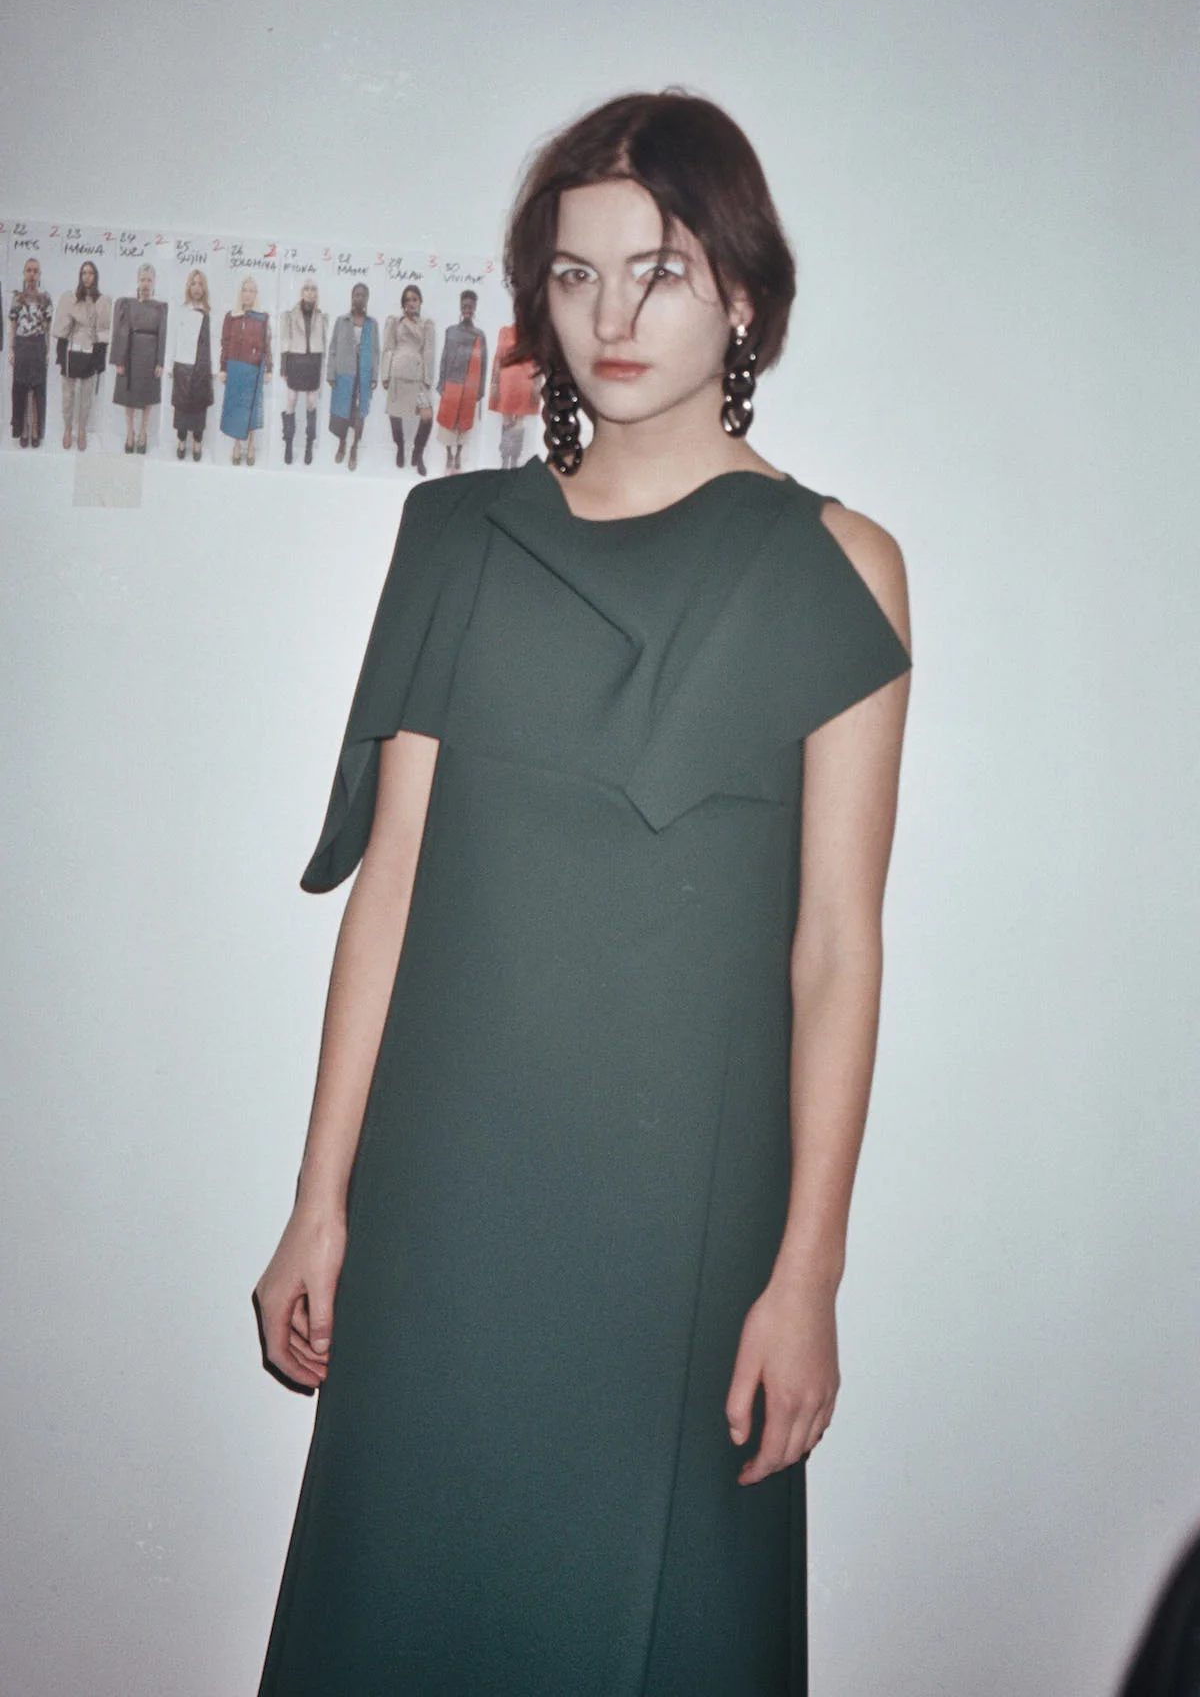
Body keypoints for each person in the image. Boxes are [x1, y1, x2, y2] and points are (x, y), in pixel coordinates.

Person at [253, 90, 912, 1696]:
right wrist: (320, 1201)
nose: (610, 317)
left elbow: (837, 950)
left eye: (659, 271)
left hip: (681, 1238)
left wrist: (810, 1275)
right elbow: (391, 894)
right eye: (573, 275)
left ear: (742, 293)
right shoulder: (458, 540)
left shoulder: (838, 567)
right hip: (443, 1212)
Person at [53, 259, 112, 452]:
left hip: (90, 351)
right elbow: (62, 330)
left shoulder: (102, 302)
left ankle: (82, 430)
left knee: (86, 397)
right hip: (71, 351)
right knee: (68, 396)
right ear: (80, 276)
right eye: (84, 273)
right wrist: (61, 355)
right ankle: (67, 429)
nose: (87, 277)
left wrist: (99, 360)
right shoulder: (70, 299)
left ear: (96, 277)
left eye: (90, 273)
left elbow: (103, 331)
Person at [111, 263, 167, 454]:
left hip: (150, 354)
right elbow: (119, 332)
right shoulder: (127, 304)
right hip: (130, 352)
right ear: (137, 280)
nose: (145, 284)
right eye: (142, 279)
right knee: (128, 396)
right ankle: (130, 433)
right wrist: (119, 360)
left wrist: (160, 362)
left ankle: (143, 432)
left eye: (149, 280)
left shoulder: (160, 308)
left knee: (147, 395)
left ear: (154, 282)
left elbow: (163, 335)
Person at [380, 283, 435, 474]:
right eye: (407, 300)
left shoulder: (426, 325)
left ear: (420, 301)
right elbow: (388, 348)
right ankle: (400, 446)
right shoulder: (395, 322)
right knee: (395, 414)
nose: (411, 303)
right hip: (397, 372)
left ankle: (418, 452)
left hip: (416, 376)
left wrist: (428, 378)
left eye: (415, 299)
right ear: (403, 304)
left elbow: (429, 352)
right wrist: (385, 374)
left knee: (427, 416)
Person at [219, 275, 272, 466]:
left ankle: (250, 445)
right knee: (236, 408)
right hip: (235, 367)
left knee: (250, 408)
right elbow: (225, 343)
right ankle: (236, 444)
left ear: (256, 294)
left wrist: (269, 369)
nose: (247, 294)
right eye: (244, 290)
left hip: (253, 368)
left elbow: (267, 344)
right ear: (240, 293)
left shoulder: (262, 317)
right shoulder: (231, 316)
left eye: (251, 290)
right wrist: (223, 368)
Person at [326, 283, 379, 472]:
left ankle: (354, 447)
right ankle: (342, 443)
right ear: (351, 297)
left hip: (363, 375)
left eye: (363, 295)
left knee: (359, 412)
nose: (359, 298)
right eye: (356, 294)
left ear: (367, 299)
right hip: (344, 374)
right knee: (343, 411)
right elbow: (333, 348)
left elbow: (375, 351)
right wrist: (331, 373)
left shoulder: (372, 324)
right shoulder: (341, 321)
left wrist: (374, 376)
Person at [435, 285, 487, 472]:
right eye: (464, 306)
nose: (467, 310)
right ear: (460, 307)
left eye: (470, 307)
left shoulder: (479, 335)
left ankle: (458, 455)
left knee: (463, 424)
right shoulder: (450, 331)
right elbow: (444, 358)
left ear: (475, 308)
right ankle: (449, 454)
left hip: (469, 388)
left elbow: (484, 363)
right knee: (448, 423)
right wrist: (441, 384)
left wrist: (480, 390)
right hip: (451, 384)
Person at [279, 278, 328, 466]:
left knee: (311, 403)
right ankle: (288, 442)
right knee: (291, 400)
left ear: (317, 293)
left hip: (313, 363)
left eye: (313, 289)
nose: (310, 292)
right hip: (296, 361)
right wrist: (284, 366)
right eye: (306, 288)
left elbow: (323, 345)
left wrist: (322, 371)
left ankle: (309, 444)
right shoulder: (290, 315)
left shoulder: (321, 317)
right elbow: (285, 341)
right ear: (301, 292)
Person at [9, 258, 54, 448]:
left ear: (39, 274)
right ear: (24, 273)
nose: (32, 274)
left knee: (37, 390)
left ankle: (35, 429)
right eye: (28, 270)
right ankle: (24, 430)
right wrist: (11, 349)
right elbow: (12, 325)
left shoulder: (45, 298)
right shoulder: (17, 298)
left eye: (35, 271)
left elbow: (48, 328)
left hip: (38, 345)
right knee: (21, 390)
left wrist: (48, 351)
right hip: (21, 345)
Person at [170, 268, 214, 461]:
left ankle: (197, 441)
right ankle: (181, 440)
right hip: (183, 364)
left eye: (200, 284)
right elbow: (173, 338)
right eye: (193, 284)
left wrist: (214, 369)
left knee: (199, 406)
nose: (196, 288)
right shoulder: (181, 310)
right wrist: (170, 365)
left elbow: (215, 341)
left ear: (204, 288)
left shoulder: (209, 312)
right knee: (181, 405)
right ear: (189, 287)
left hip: (202, 366)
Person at [488, 316, 541, 468]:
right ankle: (504, 459)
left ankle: (515, 461)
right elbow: (498, 358)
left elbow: (539, 362)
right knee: (506, 421)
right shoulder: (505, 331)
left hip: (525, 382)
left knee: (519, 423)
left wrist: (537, 386)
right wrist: (494, 383)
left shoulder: (534, 335)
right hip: (506, 381)